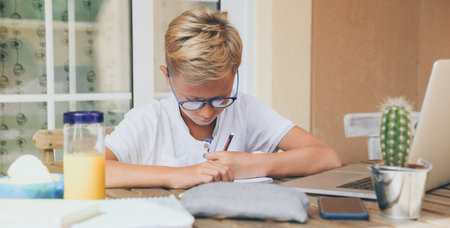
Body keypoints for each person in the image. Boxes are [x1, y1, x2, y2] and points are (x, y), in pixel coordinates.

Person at [104, 7, 341, 189]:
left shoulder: (246, 110)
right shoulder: (149, 121)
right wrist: (179, 175)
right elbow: (91, 170)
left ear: (234, 73)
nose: (207, 112)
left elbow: (326, 157)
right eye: (192, 100)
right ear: (168, 77)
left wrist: (252, 164)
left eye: (221, 98)